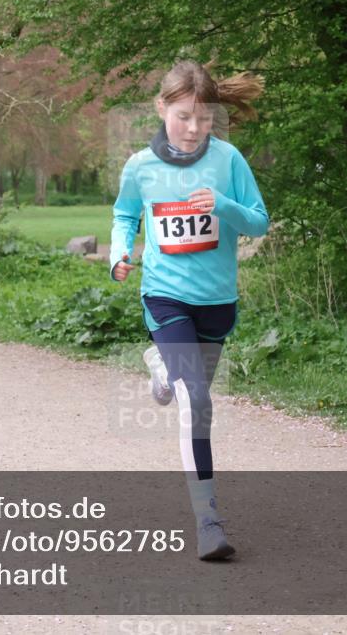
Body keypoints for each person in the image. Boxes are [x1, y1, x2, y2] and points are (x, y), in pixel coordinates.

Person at [110, 60, 268, 561]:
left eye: (203, 119)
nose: (194, 128)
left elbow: (259, 222)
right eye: (183, 117)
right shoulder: (141, 166)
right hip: (165, 295)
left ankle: (159, 367)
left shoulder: (228, 160)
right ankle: (208, 521)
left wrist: (222, 205)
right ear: (162, 108)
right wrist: (120, 252)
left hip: (217, 303)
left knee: (189, 395)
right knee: (198, 403)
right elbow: (124, 214)